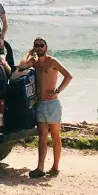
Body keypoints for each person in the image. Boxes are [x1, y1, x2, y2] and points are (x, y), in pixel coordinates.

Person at [14, 37, 72, 178]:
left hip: (52, 104)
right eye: (36, 46)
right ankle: (40, 168)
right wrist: (29, 52)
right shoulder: (34, 62)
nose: (39, 48)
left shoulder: (52, 61)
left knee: (55, 136)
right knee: (42, 136)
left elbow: (68, 76)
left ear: (46, 47)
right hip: (40, 104)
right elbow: (21, 66)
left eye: (41, 45)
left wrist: (58, 90)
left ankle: (55, 167)